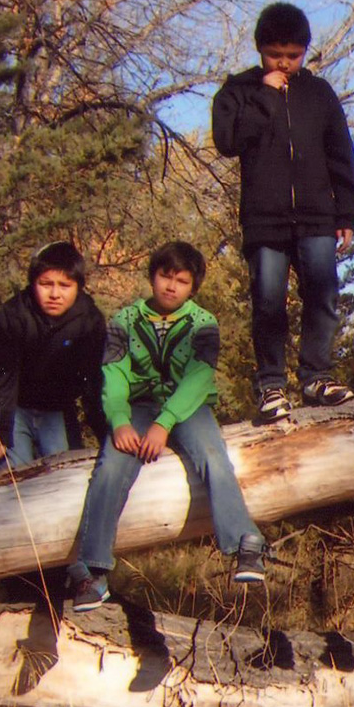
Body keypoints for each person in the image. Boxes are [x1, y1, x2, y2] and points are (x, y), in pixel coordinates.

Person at [68, 242, 268, 611]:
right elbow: (113, 374)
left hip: (187, 407)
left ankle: (246, 545)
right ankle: (92, 571)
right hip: (137, 406)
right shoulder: (123, 321)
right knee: (110, 467)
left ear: (193, 287)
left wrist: (164, 424)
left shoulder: (203, 323)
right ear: (152, 276)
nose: (171, 287)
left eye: (181, 280)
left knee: (212, 456)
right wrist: (120, 421)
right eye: (165, 276)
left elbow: (198, 377)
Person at [211, 1, 354, 423]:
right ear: (260, 50)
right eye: (274, 54)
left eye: (292, 55)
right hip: (265, 218)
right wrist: (264, 94)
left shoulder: (319, 93)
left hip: (317, 216)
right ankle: (271, 384)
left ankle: (317, 376)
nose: (283, 62)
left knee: (322, 294)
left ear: (305, 52)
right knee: (268, 300)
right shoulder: (240, 91)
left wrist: (348, 213)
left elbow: (341, 154)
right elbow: (227, 140)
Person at [0, 242, 106, 472]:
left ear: (78, 287)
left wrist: (105, 435)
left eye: (64, 285)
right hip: (16, 410)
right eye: (45, 284)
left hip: (58, 410)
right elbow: (1, 381)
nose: (54, 294)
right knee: (9, 476)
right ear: (33, 283)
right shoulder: (12, 316)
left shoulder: (89, 321)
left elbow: (92, 383)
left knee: (64, 475)